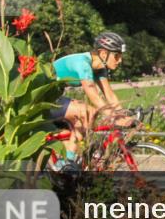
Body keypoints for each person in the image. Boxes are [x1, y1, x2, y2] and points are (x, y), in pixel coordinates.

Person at [51, 31, 130, 169]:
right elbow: (93, 95)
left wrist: (123, 114)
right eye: (117, 56)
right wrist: (113, 117)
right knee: (87, 112)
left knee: (84, 121)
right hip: (43, 99)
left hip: (55, 97)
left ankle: (66, 163)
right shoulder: (83, 63)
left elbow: (109, 94)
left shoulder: (100, 68)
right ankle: (68, 163)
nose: (120, 60)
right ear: (103, 54)